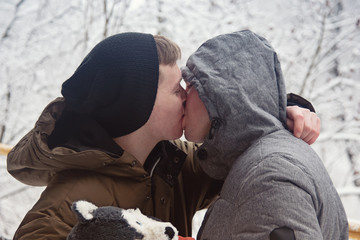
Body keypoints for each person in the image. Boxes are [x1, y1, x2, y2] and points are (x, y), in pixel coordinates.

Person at [7, 32, 320, 240]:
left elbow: (240, 138)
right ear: (136, 107)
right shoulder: (64, 202)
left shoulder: (174, 162)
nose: (187, 95)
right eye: (175, 89)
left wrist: (286, 110)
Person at [181, 30, 348, 239]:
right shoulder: (263, 160)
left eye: (191, 85)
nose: (183, 97)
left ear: (223, 94)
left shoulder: (269, 176)